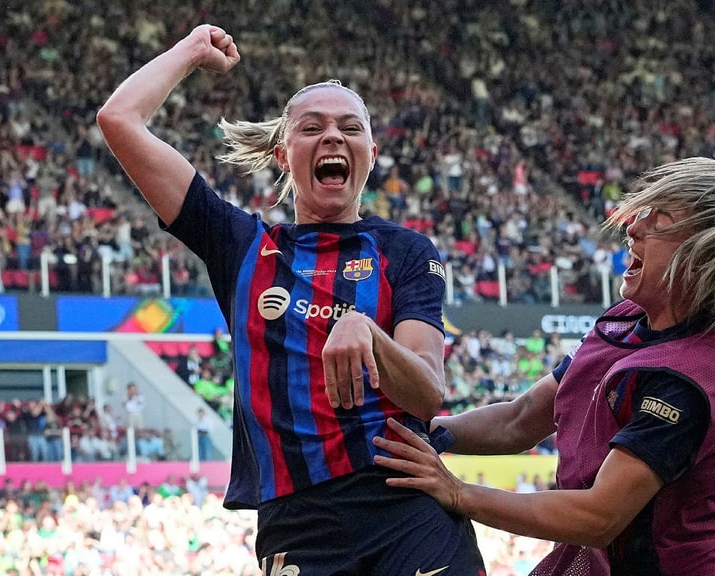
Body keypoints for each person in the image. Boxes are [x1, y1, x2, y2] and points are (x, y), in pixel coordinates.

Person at [97, 24, 484, 575]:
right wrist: (189, 50)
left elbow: (426, 394)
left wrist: (368, 333)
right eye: (313, 127)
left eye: (351, 127)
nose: (334, 137)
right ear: (283, 153)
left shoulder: (404, 251)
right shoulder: (241, 247)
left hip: (406, 505)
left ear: (371, 153)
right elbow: (119, 119)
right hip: (299, 524)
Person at [374, 157, 715, 575]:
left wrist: (458, 492)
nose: (633, 227)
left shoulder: (690, 377)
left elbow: (597, 517)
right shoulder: (628, 319)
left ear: (702, 255)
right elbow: (519, 419)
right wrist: (419, 433)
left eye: (657, 221)